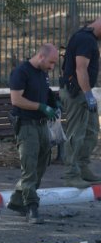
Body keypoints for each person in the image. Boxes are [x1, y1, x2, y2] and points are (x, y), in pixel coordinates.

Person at [6, 44, 60, 224]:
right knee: (29, 168)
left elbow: (44, 91)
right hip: (27, 126)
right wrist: (41, 107)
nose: (52, 67)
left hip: (42, 125)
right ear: (41, 57)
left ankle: (16, 201)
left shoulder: (42, 73)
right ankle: (32, 208)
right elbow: (16, 100)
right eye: (51, 62)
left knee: (41, 164)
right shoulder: (21, 72)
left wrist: (53, 102)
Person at [58, 17, 101, 188]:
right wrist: (88, 94)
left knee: (91, 131)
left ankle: (83, 168)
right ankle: (71, 174)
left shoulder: (89, 39)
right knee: (76, 134)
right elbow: (80, 68)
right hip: (76, 92)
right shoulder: (84, 39)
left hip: (82, 92)